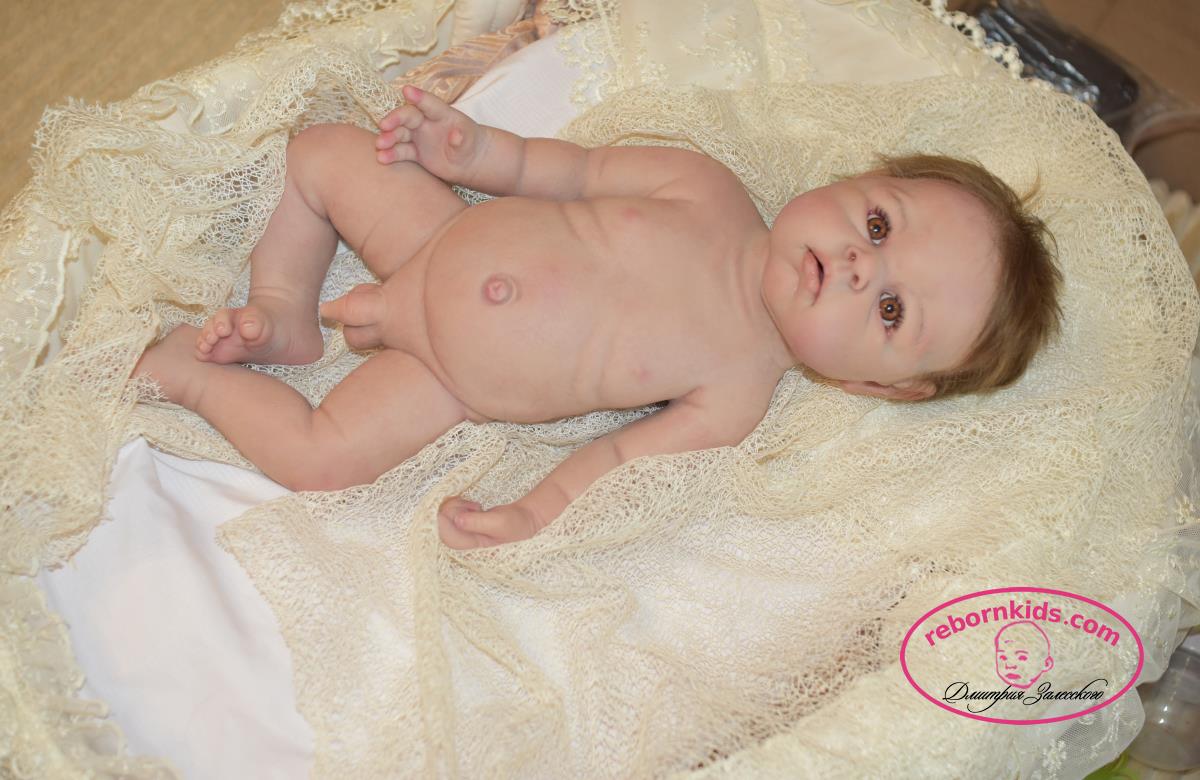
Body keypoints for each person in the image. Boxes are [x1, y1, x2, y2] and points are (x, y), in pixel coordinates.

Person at [134, 85, 1061, 549]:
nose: (861, 264)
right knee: (323, 152)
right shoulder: (706, 188)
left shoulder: (734, 393)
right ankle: (284, 307)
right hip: (434, 236)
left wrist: (533, 512)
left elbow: (615, 458)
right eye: (878, 224)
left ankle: (193, 376)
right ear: (861, 177)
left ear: (873, 384)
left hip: (446, 380)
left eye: (891, 308)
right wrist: (472, 150)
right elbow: (568, 172)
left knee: (321, 460)